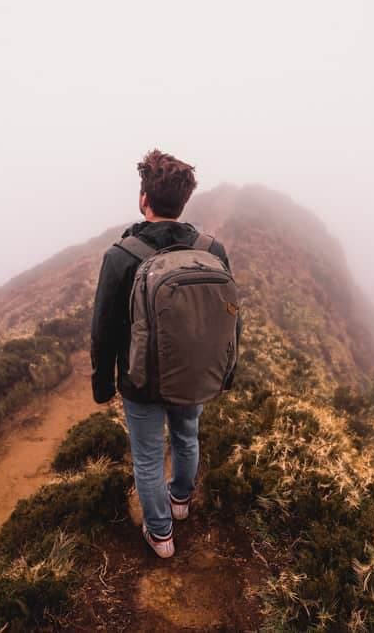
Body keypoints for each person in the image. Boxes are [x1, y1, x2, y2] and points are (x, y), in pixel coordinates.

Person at [90, 149, 238, 558]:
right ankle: (181, 501)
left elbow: (103, 328)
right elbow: (230, 318)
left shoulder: (121, 255)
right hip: (195, 373)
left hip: (141, 380)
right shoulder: (212, 250)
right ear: (184, 200)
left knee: (149, 457)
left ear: (144, 198)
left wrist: (103, 385)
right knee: (187, 438)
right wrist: (228, 374)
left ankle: (161, 534)